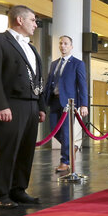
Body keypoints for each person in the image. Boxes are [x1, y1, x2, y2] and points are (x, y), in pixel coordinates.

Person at [0, 5, 47, 209]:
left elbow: (38, 79)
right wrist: (0, 105)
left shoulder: (32, 47)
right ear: (20, 20)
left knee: (26, 150)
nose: (36, 25)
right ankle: (1, 192)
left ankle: (18, 189)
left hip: (31, 105)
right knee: (6, 150)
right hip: (10, 104)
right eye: (33, 20)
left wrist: (41, 106)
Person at [42, 35, 88, 174]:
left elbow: (82, 85)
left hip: (69, 103)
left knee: (66, 131)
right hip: (54, 101)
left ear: (71, 46)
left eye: (66, 43)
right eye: (61, 43)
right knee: (54, 131)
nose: (63, 46)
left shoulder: (77, 64)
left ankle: (65, 161)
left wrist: (84, 104)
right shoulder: (54, 63)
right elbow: (49, 83)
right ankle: (71, 147)